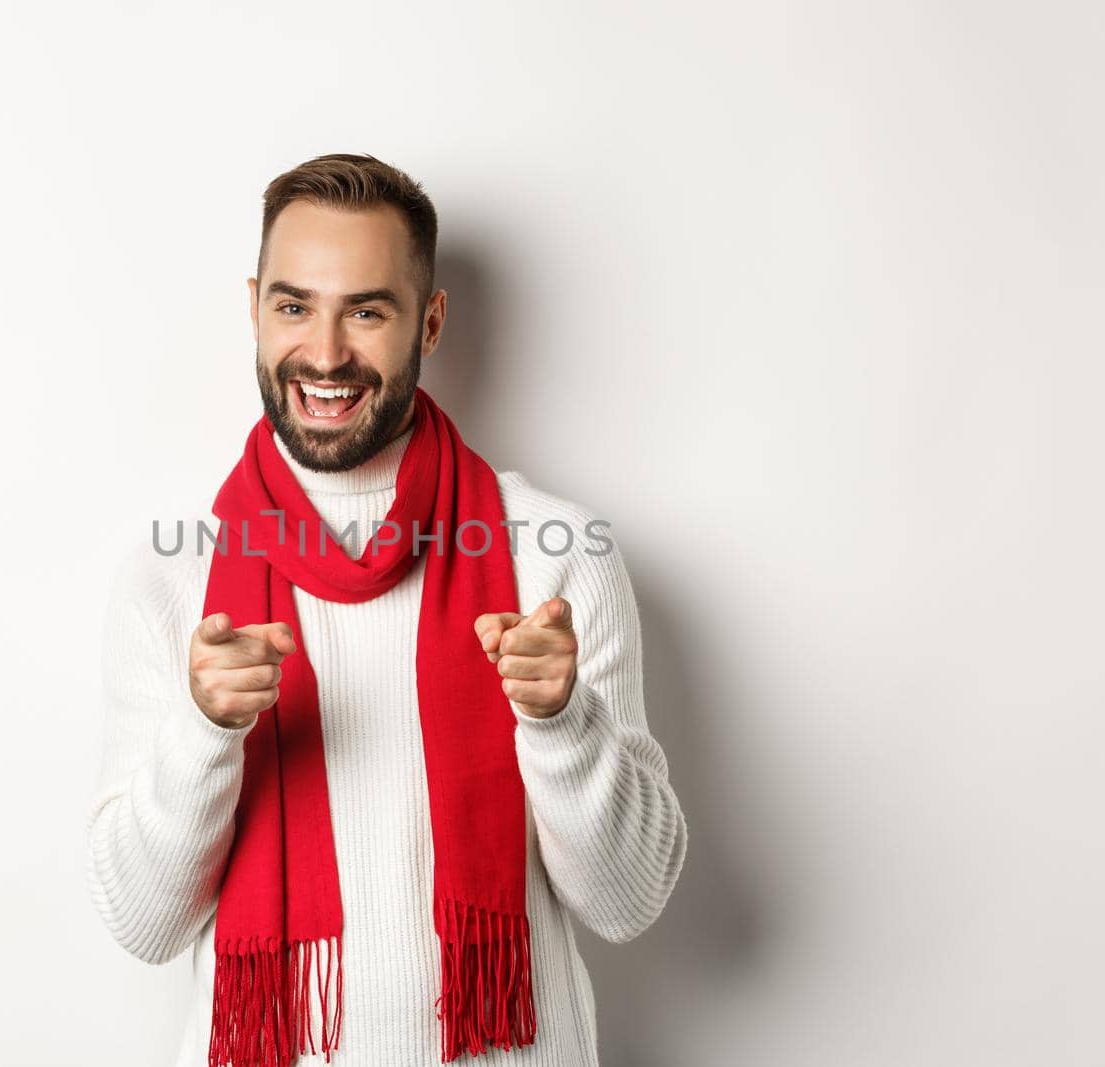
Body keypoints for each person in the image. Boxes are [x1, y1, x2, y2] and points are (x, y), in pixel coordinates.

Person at [85, 152, 688, 1066]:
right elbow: (142, 922)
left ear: (431, 321)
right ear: (254, 308)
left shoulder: (556, 553)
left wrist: (562, 722)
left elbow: (628, 902)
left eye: (366, 311)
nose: (325, 355)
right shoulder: (175, 578)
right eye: (294, 306)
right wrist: (203, 730)